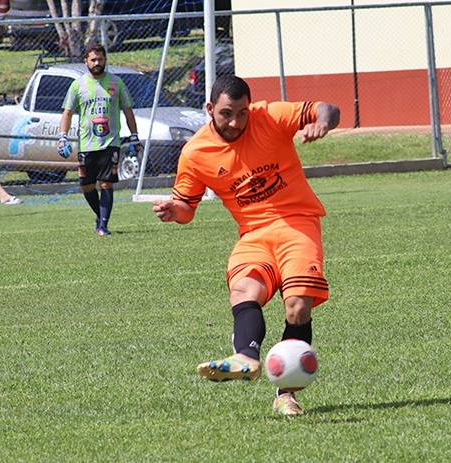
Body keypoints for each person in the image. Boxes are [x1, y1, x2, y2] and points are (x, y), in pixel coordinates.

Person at [152, 75, 340, 416]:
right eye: (226, 114)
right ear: (209, 109)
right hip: (253, 233)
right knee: (244, 289)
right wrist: (172, 211)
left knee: (297, 307)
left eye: (242, 113)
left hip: (298, 223)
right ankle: (246, 357)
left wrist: (322, 124)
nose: (236, 122)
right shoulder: (195, 153)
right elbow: (186, 208)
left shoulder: (269, 117)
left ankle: (287, 394)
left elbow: (328, 109)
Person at [59, 41, 142, 236]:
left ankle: (103, 225)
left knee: (106, 182)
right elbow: (67, 113)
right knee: (86, 185)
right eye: (93, 59)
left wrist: (134, 136)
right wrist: (62, 137)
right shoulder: (77, 85)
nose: (97, 62)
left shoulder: (116, 83)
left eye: (101, 59)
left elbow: (128, 111)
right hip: (86, 144)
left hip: (110, 142)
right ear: (86, 61)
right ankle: (100, 215)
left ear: (105, 60)